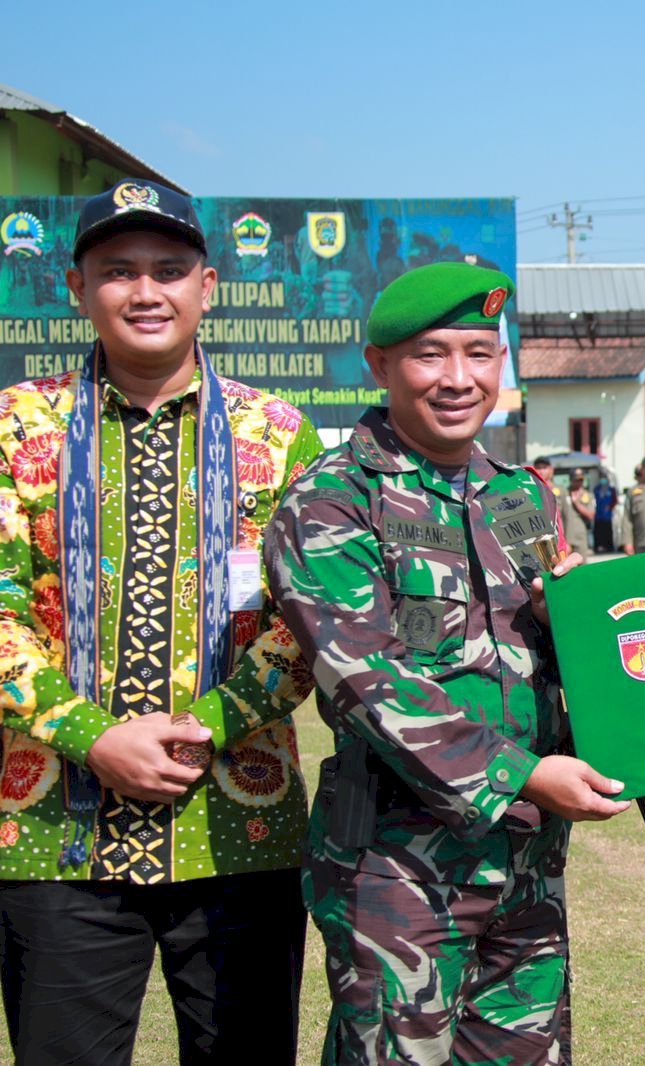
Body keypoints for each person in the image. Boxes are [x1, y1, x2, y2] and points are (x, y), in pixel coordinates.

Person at [266, 262, 631, 1064]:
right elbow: (368, 680)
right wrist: (526, 777)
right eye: (432, 355)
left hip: (527, 867)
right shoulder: (332, 502)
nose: (459, 378)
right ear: (381, 365)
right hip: (399, 871)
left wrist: (624, 644)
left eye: (479, 353)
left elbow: (568, 656)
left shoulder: (522, 496)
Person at [0, 179, 322, 1065]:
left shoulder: (280, 432)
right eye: (119, 271)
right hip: (56, 835)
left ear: (207, 287)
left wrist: (203, 727)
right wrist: (94, 737)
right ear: (76, 287)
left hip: (235, 827)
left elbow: (307, 622)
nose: (146, 292)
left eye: (169, 270)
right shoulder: (15, 424)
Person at [565, 467, 596, 548]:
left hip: (580, 535)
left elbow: (591, 515)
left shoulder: (588, 495)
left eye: (581, 480)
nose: (579, 482)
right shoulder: (564, 493)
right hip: (565, 534)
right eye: (576, 480)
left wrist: (577, 503)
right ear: (571, 480)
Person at [593, 473, 617, 552]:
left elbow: (615, 500)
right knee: (599, 532)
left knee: (608, 531)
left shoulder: (611, 489)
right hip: (598, 515)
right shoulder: (596, 489)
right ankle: (598, 547)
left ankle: (609, 547)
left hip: (607, 515)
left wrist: (610, 507)